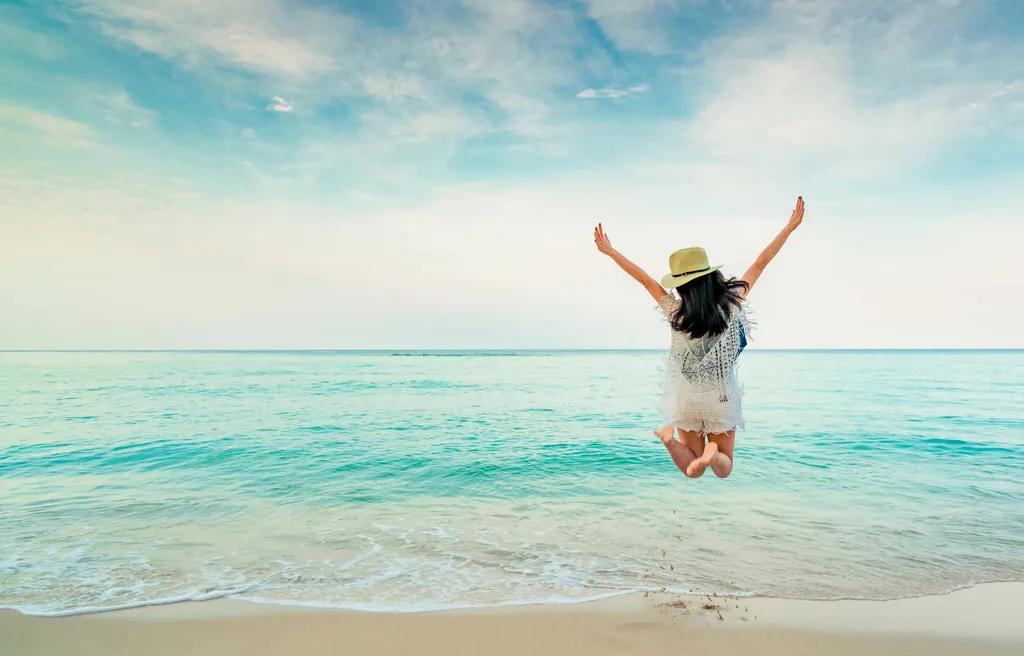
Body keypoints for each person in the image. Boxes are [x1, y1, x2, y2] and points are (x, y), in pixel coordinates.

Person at [593, 197, 805, 479]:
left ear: (680, 285)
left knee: (691, 471)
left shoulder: (676, 312)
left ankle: (669, 441)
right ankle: (713, 454)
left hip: (686, 399)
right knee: (723, 468)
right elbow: (761, 263)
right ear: (709, 276)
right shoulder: (731, 304)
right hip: (720, 398)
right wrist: (789, 227)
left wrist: (611, 252)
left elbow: (645, 280)